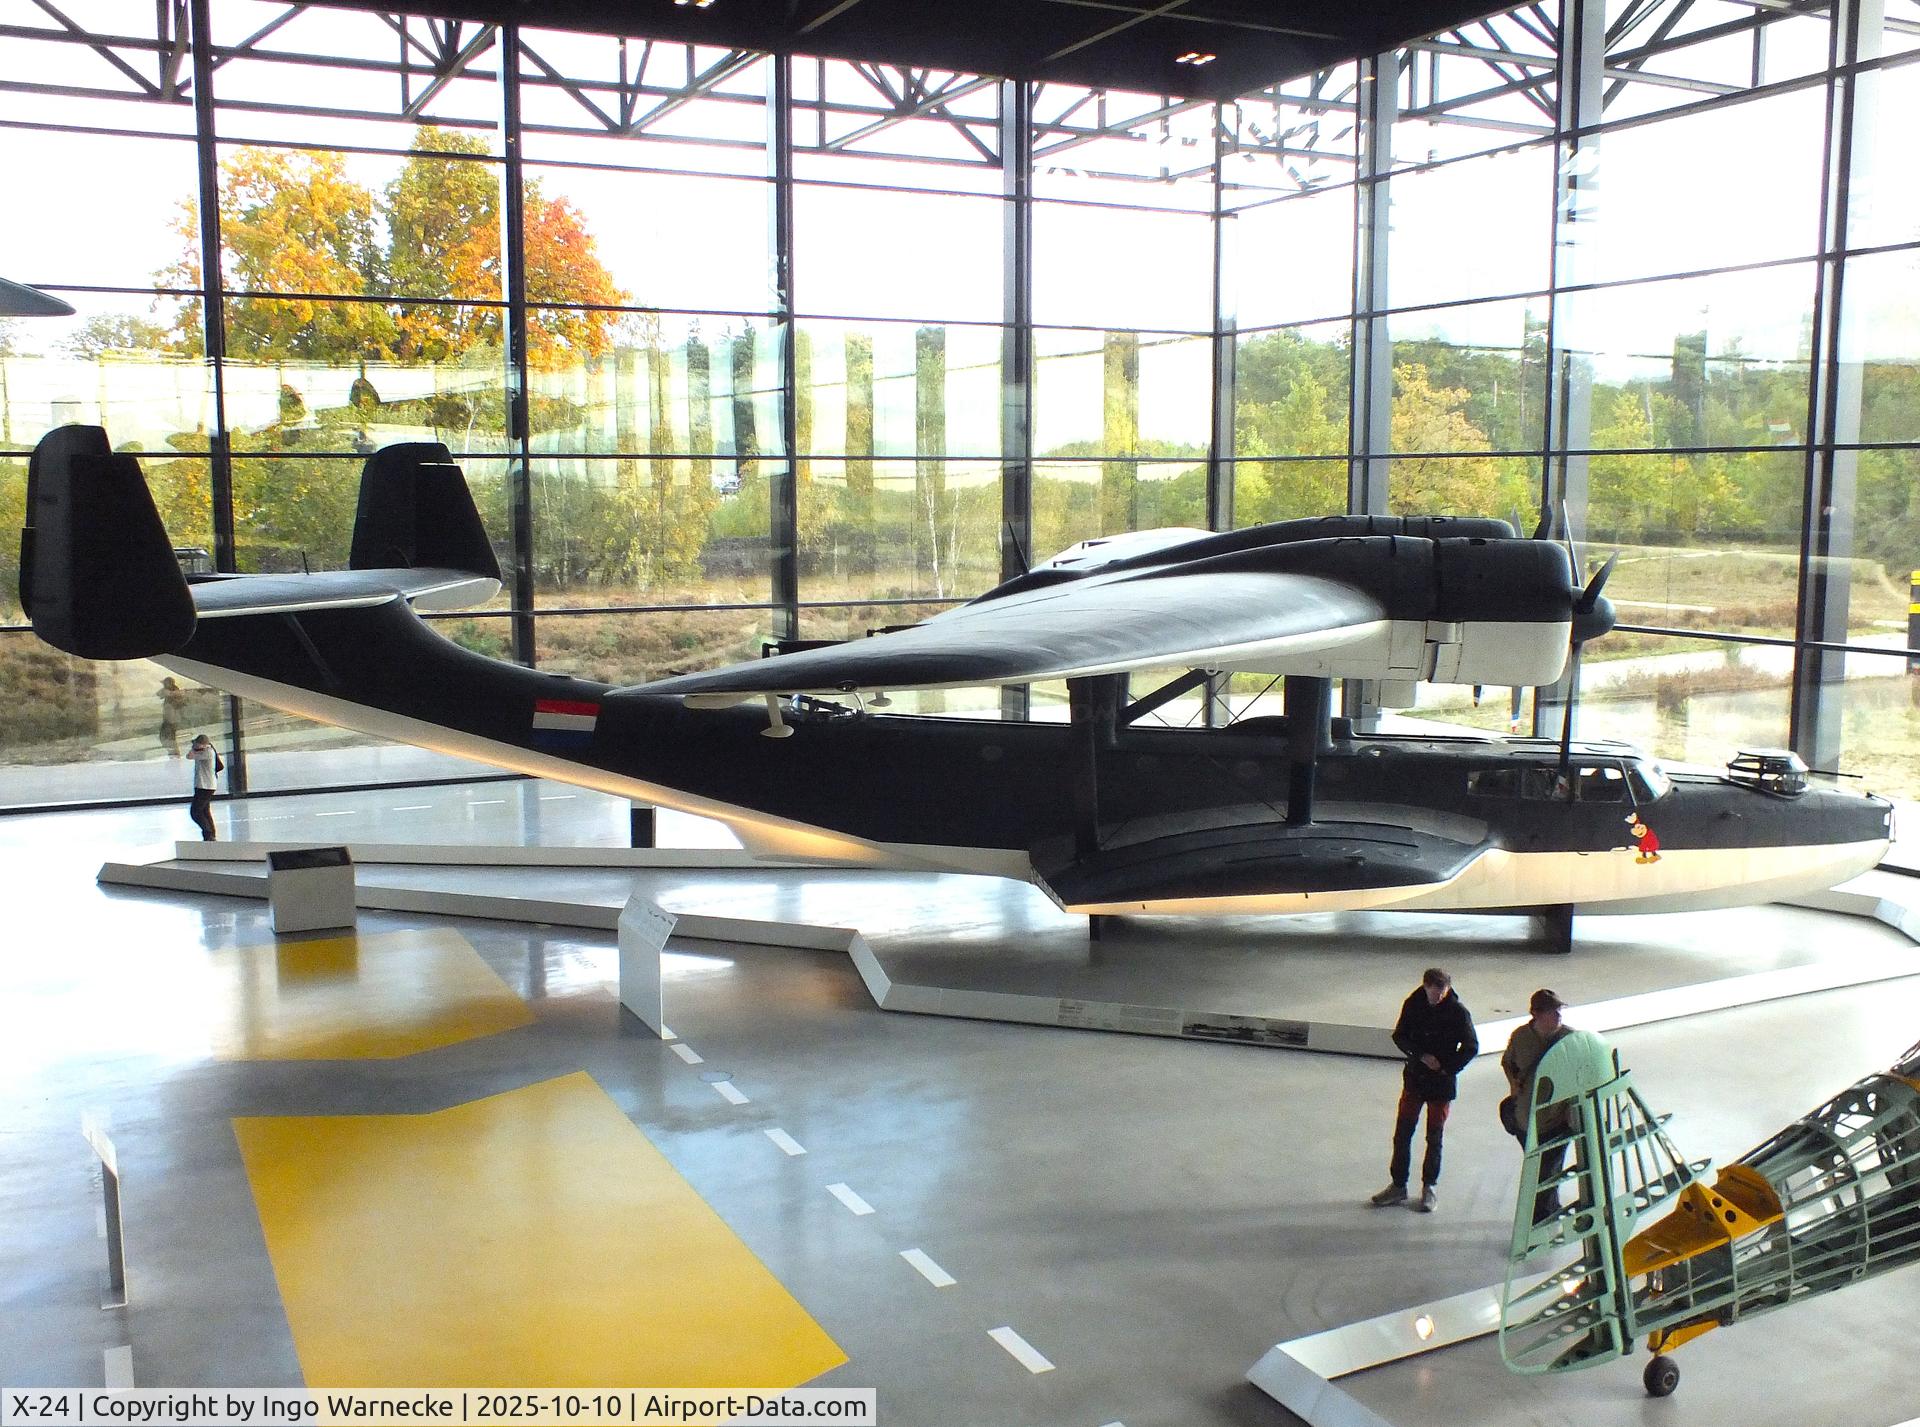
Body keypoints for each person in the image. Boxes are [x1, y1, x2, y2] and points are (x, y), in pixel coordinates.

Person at [1370, 967, 1478, 1213]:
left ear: (1447, 989)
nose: (1437, 996)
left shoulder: (1458, 1012)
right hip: (1415, 1080)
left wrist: (1446, 1068)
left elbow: (1471, 1046)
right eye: (1433, 990)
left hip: (1441, 1084)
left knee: (1435, 1136)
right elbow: (1400, 1036)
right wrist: (1421, 1056)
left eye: (1441, 991)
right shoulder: (1413, 1004)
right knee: (1403, 1133)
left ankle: (1429, 1186)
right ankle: (1398, 1185)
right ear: (1425, 986)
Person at [1502, 988, 1573, 1224]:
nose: (1558, 1015)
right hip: (1526, 1118)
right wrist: (1513, 1083)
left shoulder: (1570, 1039)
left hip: (1556, 1119)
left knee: (1549, 1169)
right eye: (1552, 1011)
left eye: (1559, 1010)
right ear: (1535, 1013)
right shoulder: (1521, 1036)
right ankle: (1545, 1211)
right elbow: (1508, 1062)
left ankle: (1543, 1216)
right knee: (1538, 1168)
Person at [187, 733, 224, 841]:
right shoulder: (205, 751)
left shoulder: (207, 752)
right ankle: (210, 835)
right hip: (203, 785)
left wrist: (193, 749)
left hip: (205, 786)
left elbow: (189, 756)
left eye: (197, 744)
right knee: (205, 811)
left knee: (195, 812)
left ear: (203, 745)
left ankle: (208, 832)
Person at [157, 677, 187, 758]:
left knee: (168, 738)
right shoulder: (172, 692)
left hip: (171, 719)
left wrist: (170, 692)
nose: (163, 685)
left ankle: (174, 755)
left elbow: (162, 693)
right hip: (170, 719)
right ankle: (173, 754)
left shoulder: (175, 693)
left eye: (165, 684)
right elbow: (159, 693)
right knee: (167, 738)